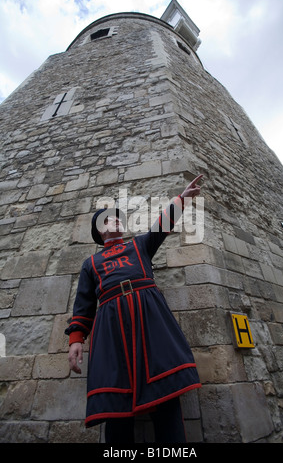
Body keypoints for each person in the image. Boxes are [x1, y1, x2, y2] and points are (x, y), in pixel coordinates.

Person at [66, 175, 203, 443]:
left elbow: (161, 226)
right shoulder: (90, 264)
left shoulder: (139, 246)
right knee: (117, 410)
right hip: (111, 332)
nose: (116, 220)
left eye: (118, 217)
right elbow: (83, 305)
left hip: (151, 326)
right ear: (100, 230)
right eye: (108, 219)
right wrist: (75, 340)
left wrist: (182, 198)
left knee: (167, 404)